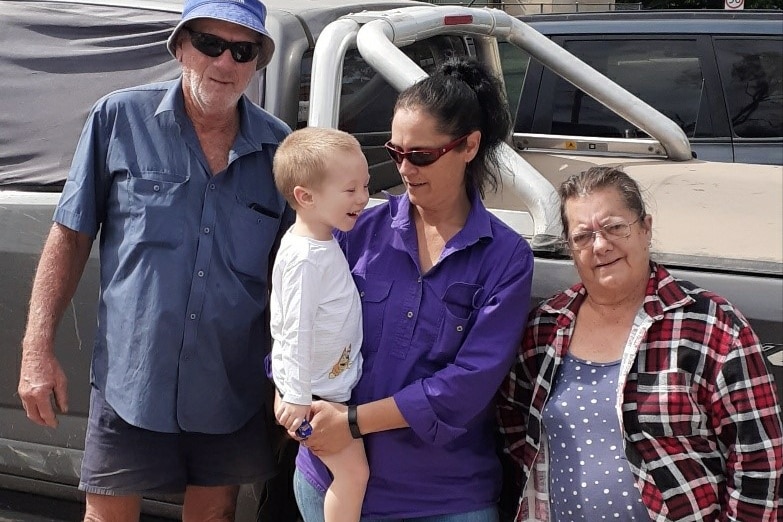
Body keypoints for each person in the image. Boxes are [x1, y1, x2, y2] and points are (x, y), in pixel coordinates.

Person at [16, 0, 293, 520]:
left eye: (243, 50)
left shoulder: (282, 151)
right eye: (210, 44)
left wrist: (291, 380)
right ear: (181, 46)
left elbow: (293, 274)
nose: (225, 63)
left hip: (228, 385)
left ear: (257, 61)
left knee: (214, 516)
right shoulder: (118, 118)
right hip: (131, 378)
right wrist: (37, 350)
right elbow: (70, 236)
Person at [290, 57, 535, 521]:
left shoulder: (505, 258)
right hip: (328, 480)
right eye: (395, 151)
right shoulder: (356, 229)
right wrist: (287, 394)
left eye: (420, 155)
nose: (404, 168)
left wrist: (353, 421)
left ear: (469, 146)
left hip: (442, 501)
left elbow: (468, 384)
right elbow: (295, 317)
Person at [497, 166, 783, 522]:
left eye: (615, 227)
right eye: (583, 236)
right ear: (570, 248)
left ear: (645, 228)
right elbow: (513, 419)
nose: (600, 245)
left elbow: (760, 460)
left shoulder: (713, 326)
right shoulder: (545, 327)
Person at [270, 127, 370, 522]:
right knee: (354, 473)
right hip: (317, 400)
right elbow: (292, 330)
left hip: (326, 391)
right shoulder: (305, 258)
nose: (362, 198)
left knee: (351, 473)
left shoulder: (320, 242)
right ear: (305, 196)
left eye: (364, 186)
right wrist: (293, 397)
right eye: (350, 190)